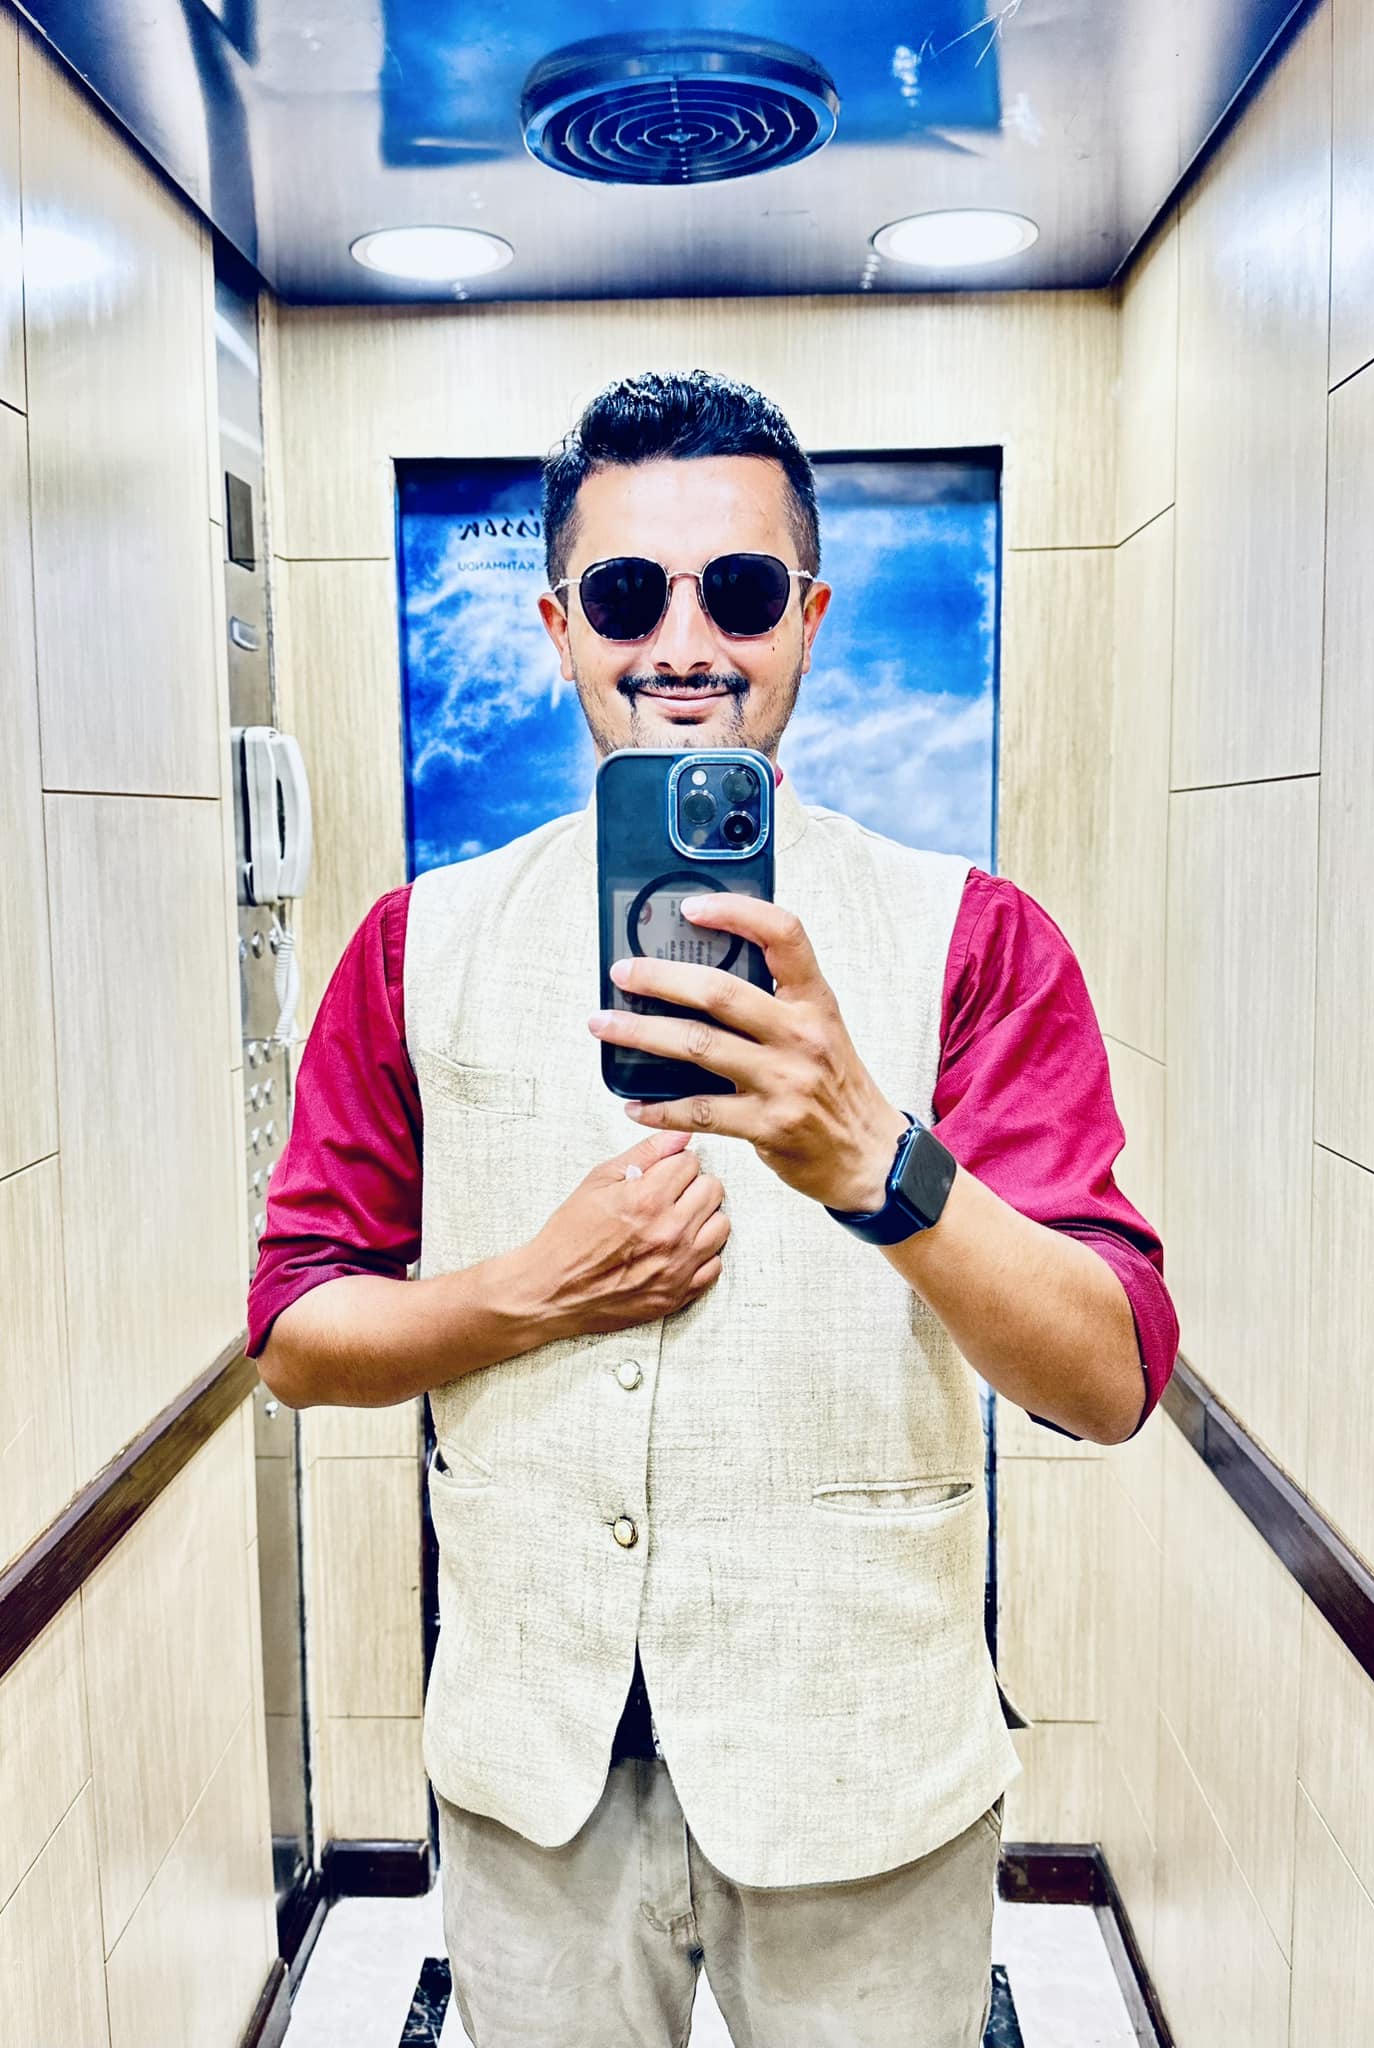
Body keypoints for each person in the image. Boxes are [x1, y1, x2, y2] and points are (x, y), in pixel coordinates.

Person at [248, 370, 1178, 2048]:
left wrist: (876, 1160)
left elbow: (1106, 1378)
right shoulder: (412, 948)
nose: (684, 642)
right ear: (560, 628)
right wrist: (530, 1290)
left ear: (808, 616)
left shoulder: (976, 941)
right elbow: (297, 1335)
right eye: (627, 594)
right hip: (535, 1788)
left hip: (864, 1781)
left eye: (740, 590)